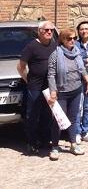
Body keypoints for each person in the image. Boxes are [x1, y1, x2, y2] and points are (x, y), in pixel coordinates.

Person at [47, 29, 88, 160]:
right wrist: (53, 92)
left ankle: (73, 144)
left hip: (76, 90)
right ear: (62, 40)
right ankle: (55, 146)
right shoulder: (55, 54)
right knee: (58, 120)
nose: (72, 40)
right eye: (69, 38)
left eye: (74, 38)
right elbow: (51, 75)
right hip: (61, 92)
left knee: (73, 118)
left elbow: (81, 68)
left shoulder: (76, 52)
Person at [17, 20, 57, 155]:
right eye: (46, 30)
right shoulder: (31, 47)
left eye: (51, 30)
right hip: (35, 86)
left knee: (47, 115)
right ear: (39, 32)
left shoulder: (54, 45)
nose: (49, 32)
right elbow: (21, 67)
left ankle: (45, 140)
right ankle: (31, 142)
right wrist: (27, 79)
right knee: (32, 115)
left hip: (49, 87)